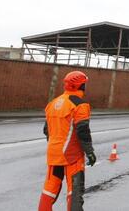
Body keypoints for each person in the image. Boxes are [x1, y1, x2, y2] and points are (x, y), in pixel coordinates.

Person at [39, 71, 96, 211]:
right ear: (81, 85)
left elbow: (47, 130)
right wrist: (90, 152)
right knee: (74, 191)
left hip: (54, 153)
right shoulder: (80, 105)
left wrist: (56, 146)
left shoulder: (53, 103)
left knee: (49, 189)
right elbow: (82, 132)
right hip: (72, 155)